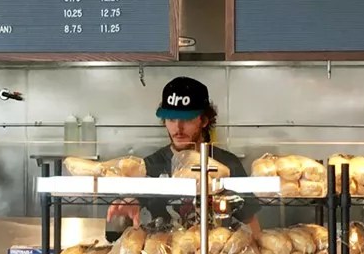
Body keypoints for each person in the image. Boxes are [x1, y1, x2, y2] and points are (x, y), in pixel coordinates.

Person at [109, 77, 258, 233]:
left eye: (186, 119)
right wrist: (130, 202)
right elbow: (136, 197)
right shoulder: (152, 164)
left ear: (204, 120)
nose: (177, 128)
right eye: (171, 119)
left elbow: (251, 221)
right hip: (167, 253)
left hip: (214, 252)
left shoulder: (227, 163)